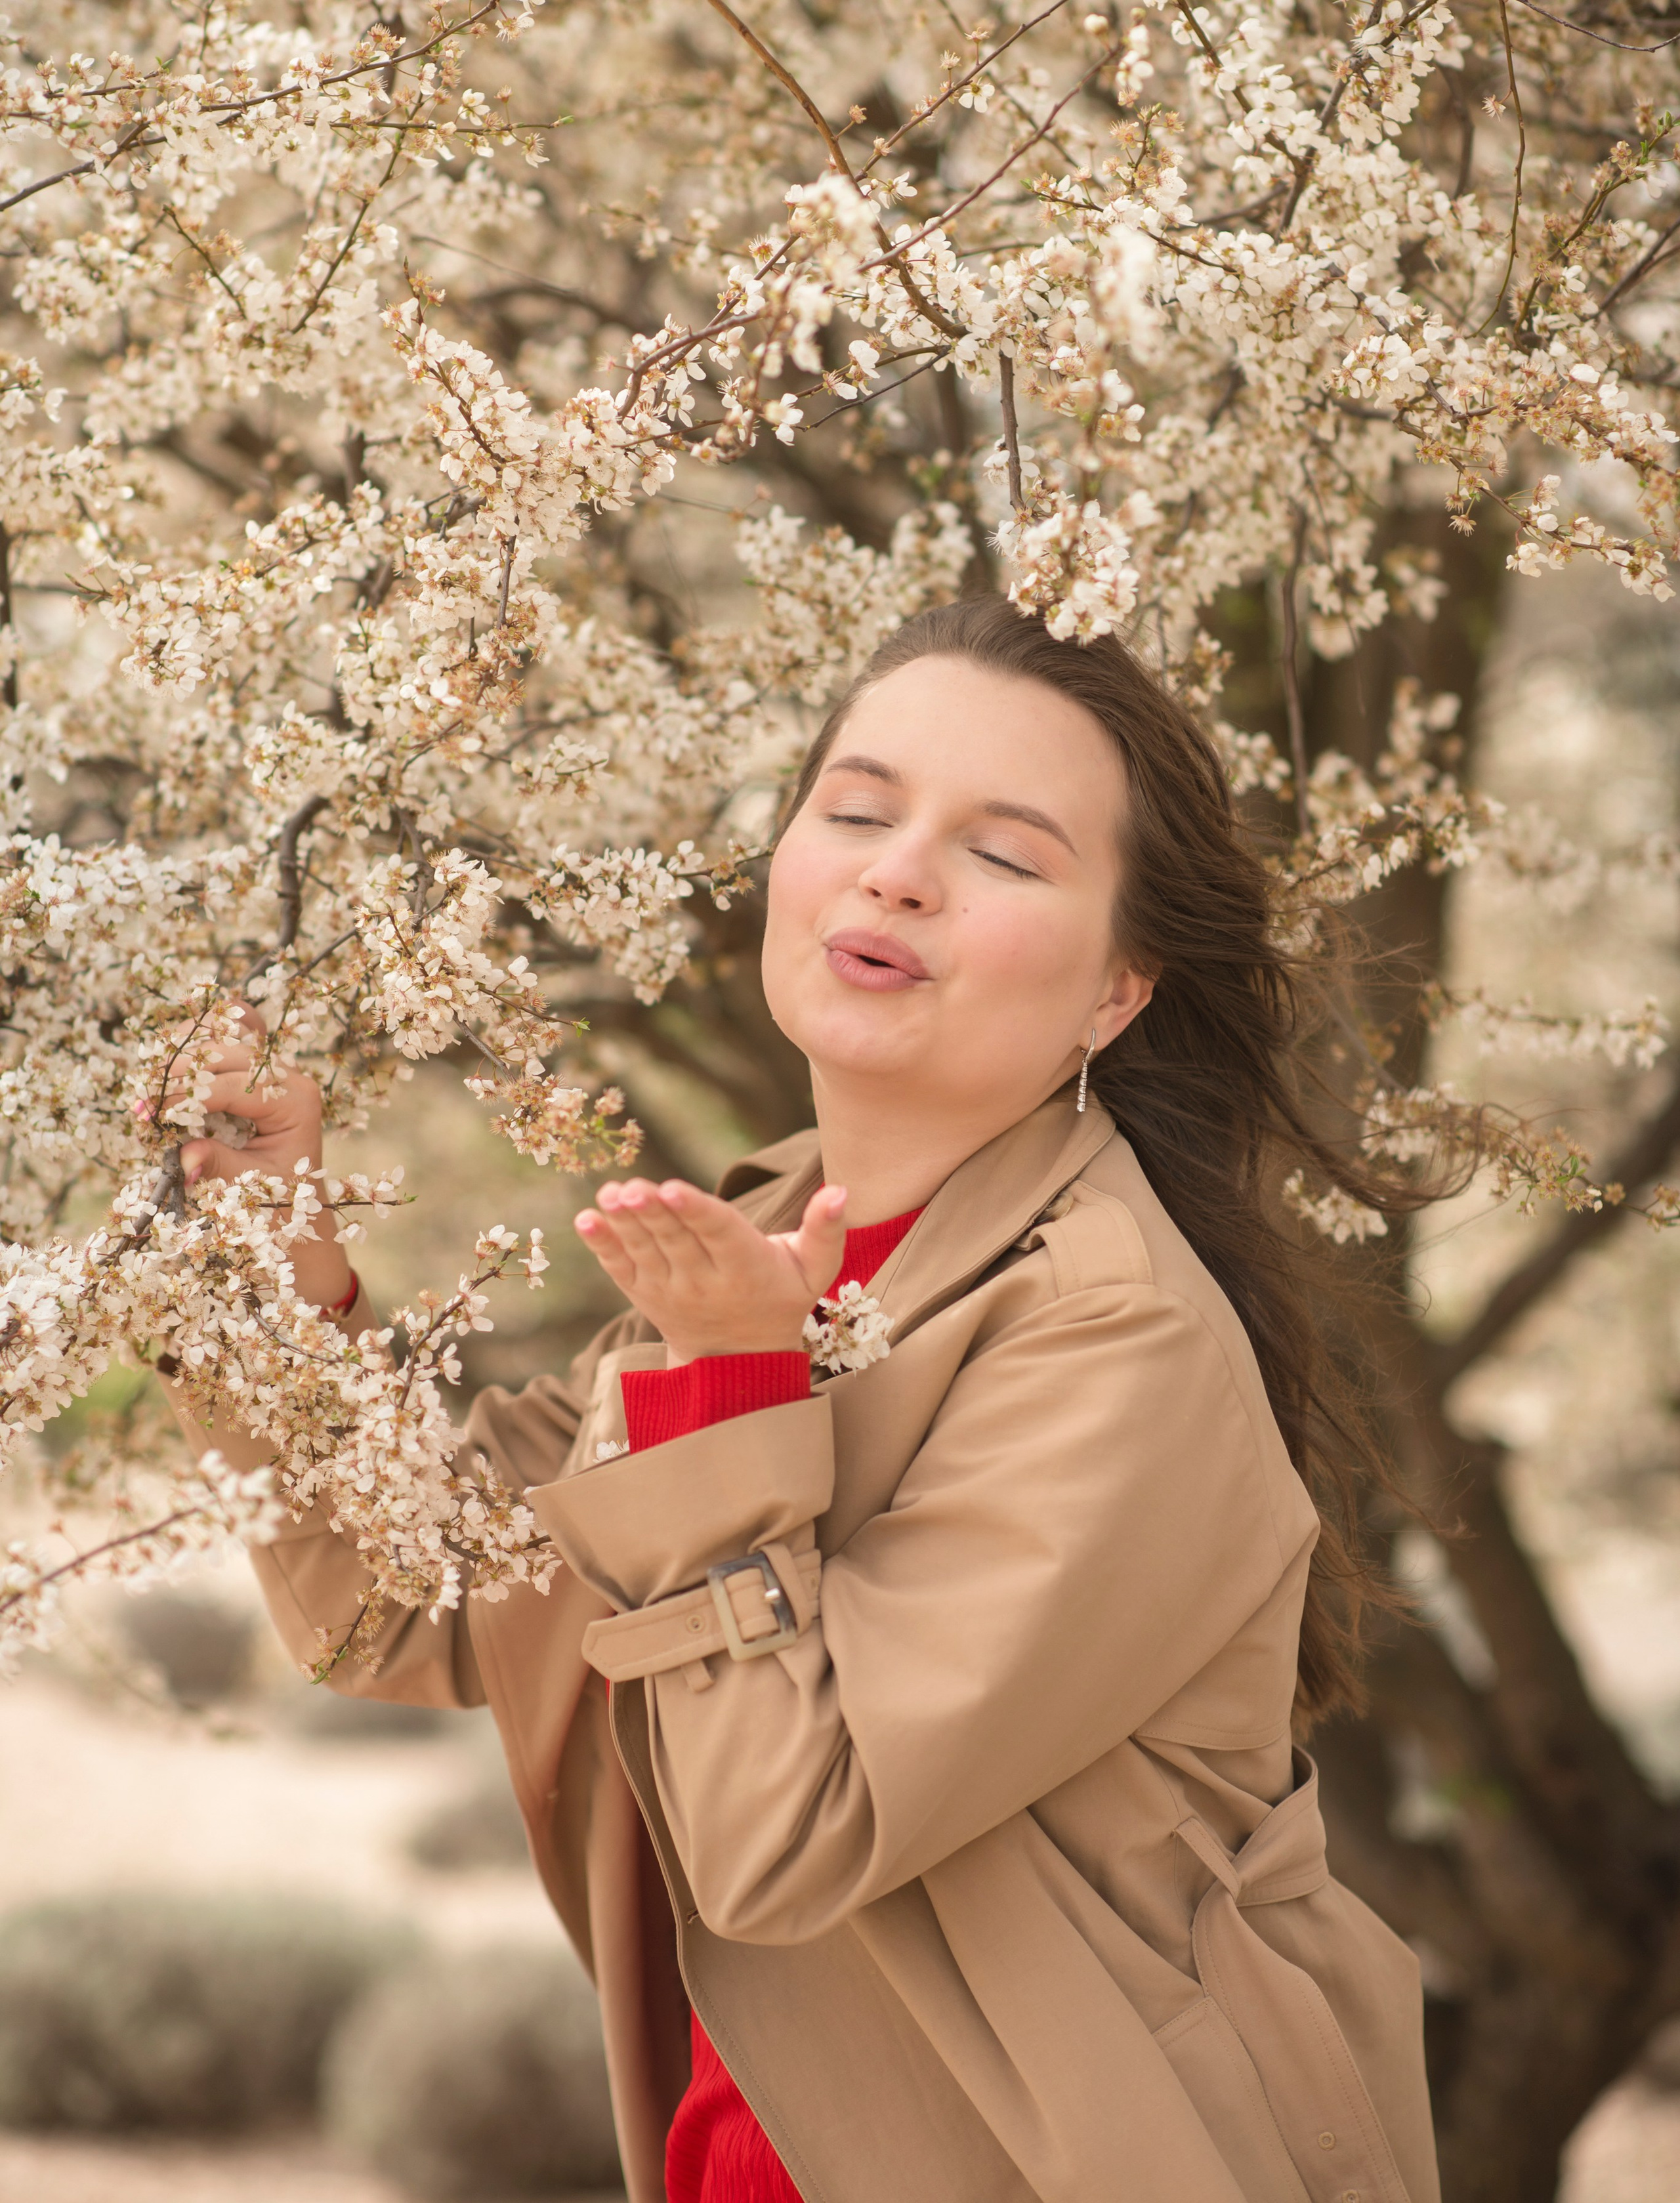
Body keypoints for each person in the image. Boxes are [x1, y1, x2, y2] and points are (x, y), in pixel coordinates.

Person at [161, 597, 1440, 2203]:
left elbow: (783, 1837)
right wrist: (274, 1250)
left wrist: (731, 1385)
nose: (896, 867)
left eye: (1007, 852)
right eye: (856, 807)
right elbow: (410, 1601)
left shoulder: (1113, 1329)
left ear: (1117, 989)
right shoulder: (783, 1234)